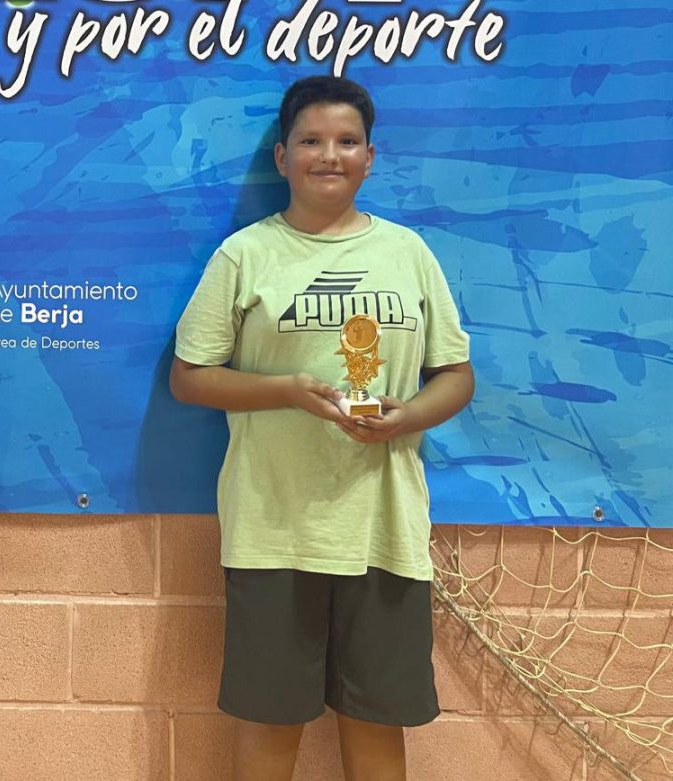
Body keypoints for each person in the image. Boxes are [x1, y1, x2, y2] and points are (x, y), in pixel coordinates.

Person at [169, 76, 474, 780]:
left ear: (371, 156)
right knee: (271, 727)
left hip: (383, 528)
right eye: (310, 140)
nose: (327, 155)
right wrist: (287, 391)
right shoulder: (246, 255)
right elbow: (189, 376)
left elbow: (456, 375)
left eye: (346, 141)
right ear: (282, 157)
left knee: (375, 726)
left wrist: (407, 417)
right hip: (274, 527)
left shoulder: (410, 254)